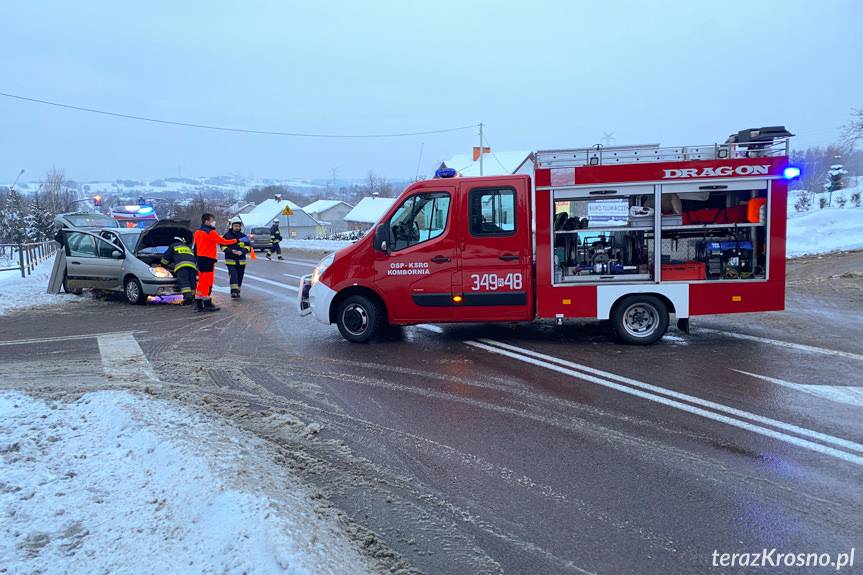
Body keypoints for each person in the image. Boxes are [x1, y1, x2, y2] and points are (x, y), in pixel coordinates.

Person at [193, 213, 237, 312]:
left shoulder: (197, 232)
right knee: (207, 282)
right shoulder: (210, 232)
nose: (214, 222)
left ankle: (198, 303)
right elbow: (222, 241)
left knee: (201, 281)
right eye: (213, 220)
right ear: (207, 221)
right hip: (208, 259)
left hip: (200, 259)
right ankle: (207, 302)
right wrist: (235, 240)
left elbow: (195, 247)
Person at [222, 216, 254, 298]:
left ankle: (238, 290)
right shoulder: (227, 236)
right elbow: (223, 247)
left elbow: (248, 247)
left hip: (241, 260)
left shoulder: (243, 236)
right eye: (236, 226)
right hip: (231, 260)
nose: (237, 227)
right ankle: (234, 291)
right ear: (231, 226)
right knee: (233, 275)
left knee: (240, 276)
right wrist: (231, 251)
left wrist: (242, 251)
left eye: (239, 226)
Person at [160, 236, 197, 305]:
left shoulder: (173, 246)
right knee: (192, 282)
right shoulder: (187, 247)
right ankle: (193, 298)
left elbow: (166, 258)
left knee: (184, 282)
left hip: (182, 266)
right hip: (193, 266)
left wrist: (162, 266)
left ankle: (188, 299)